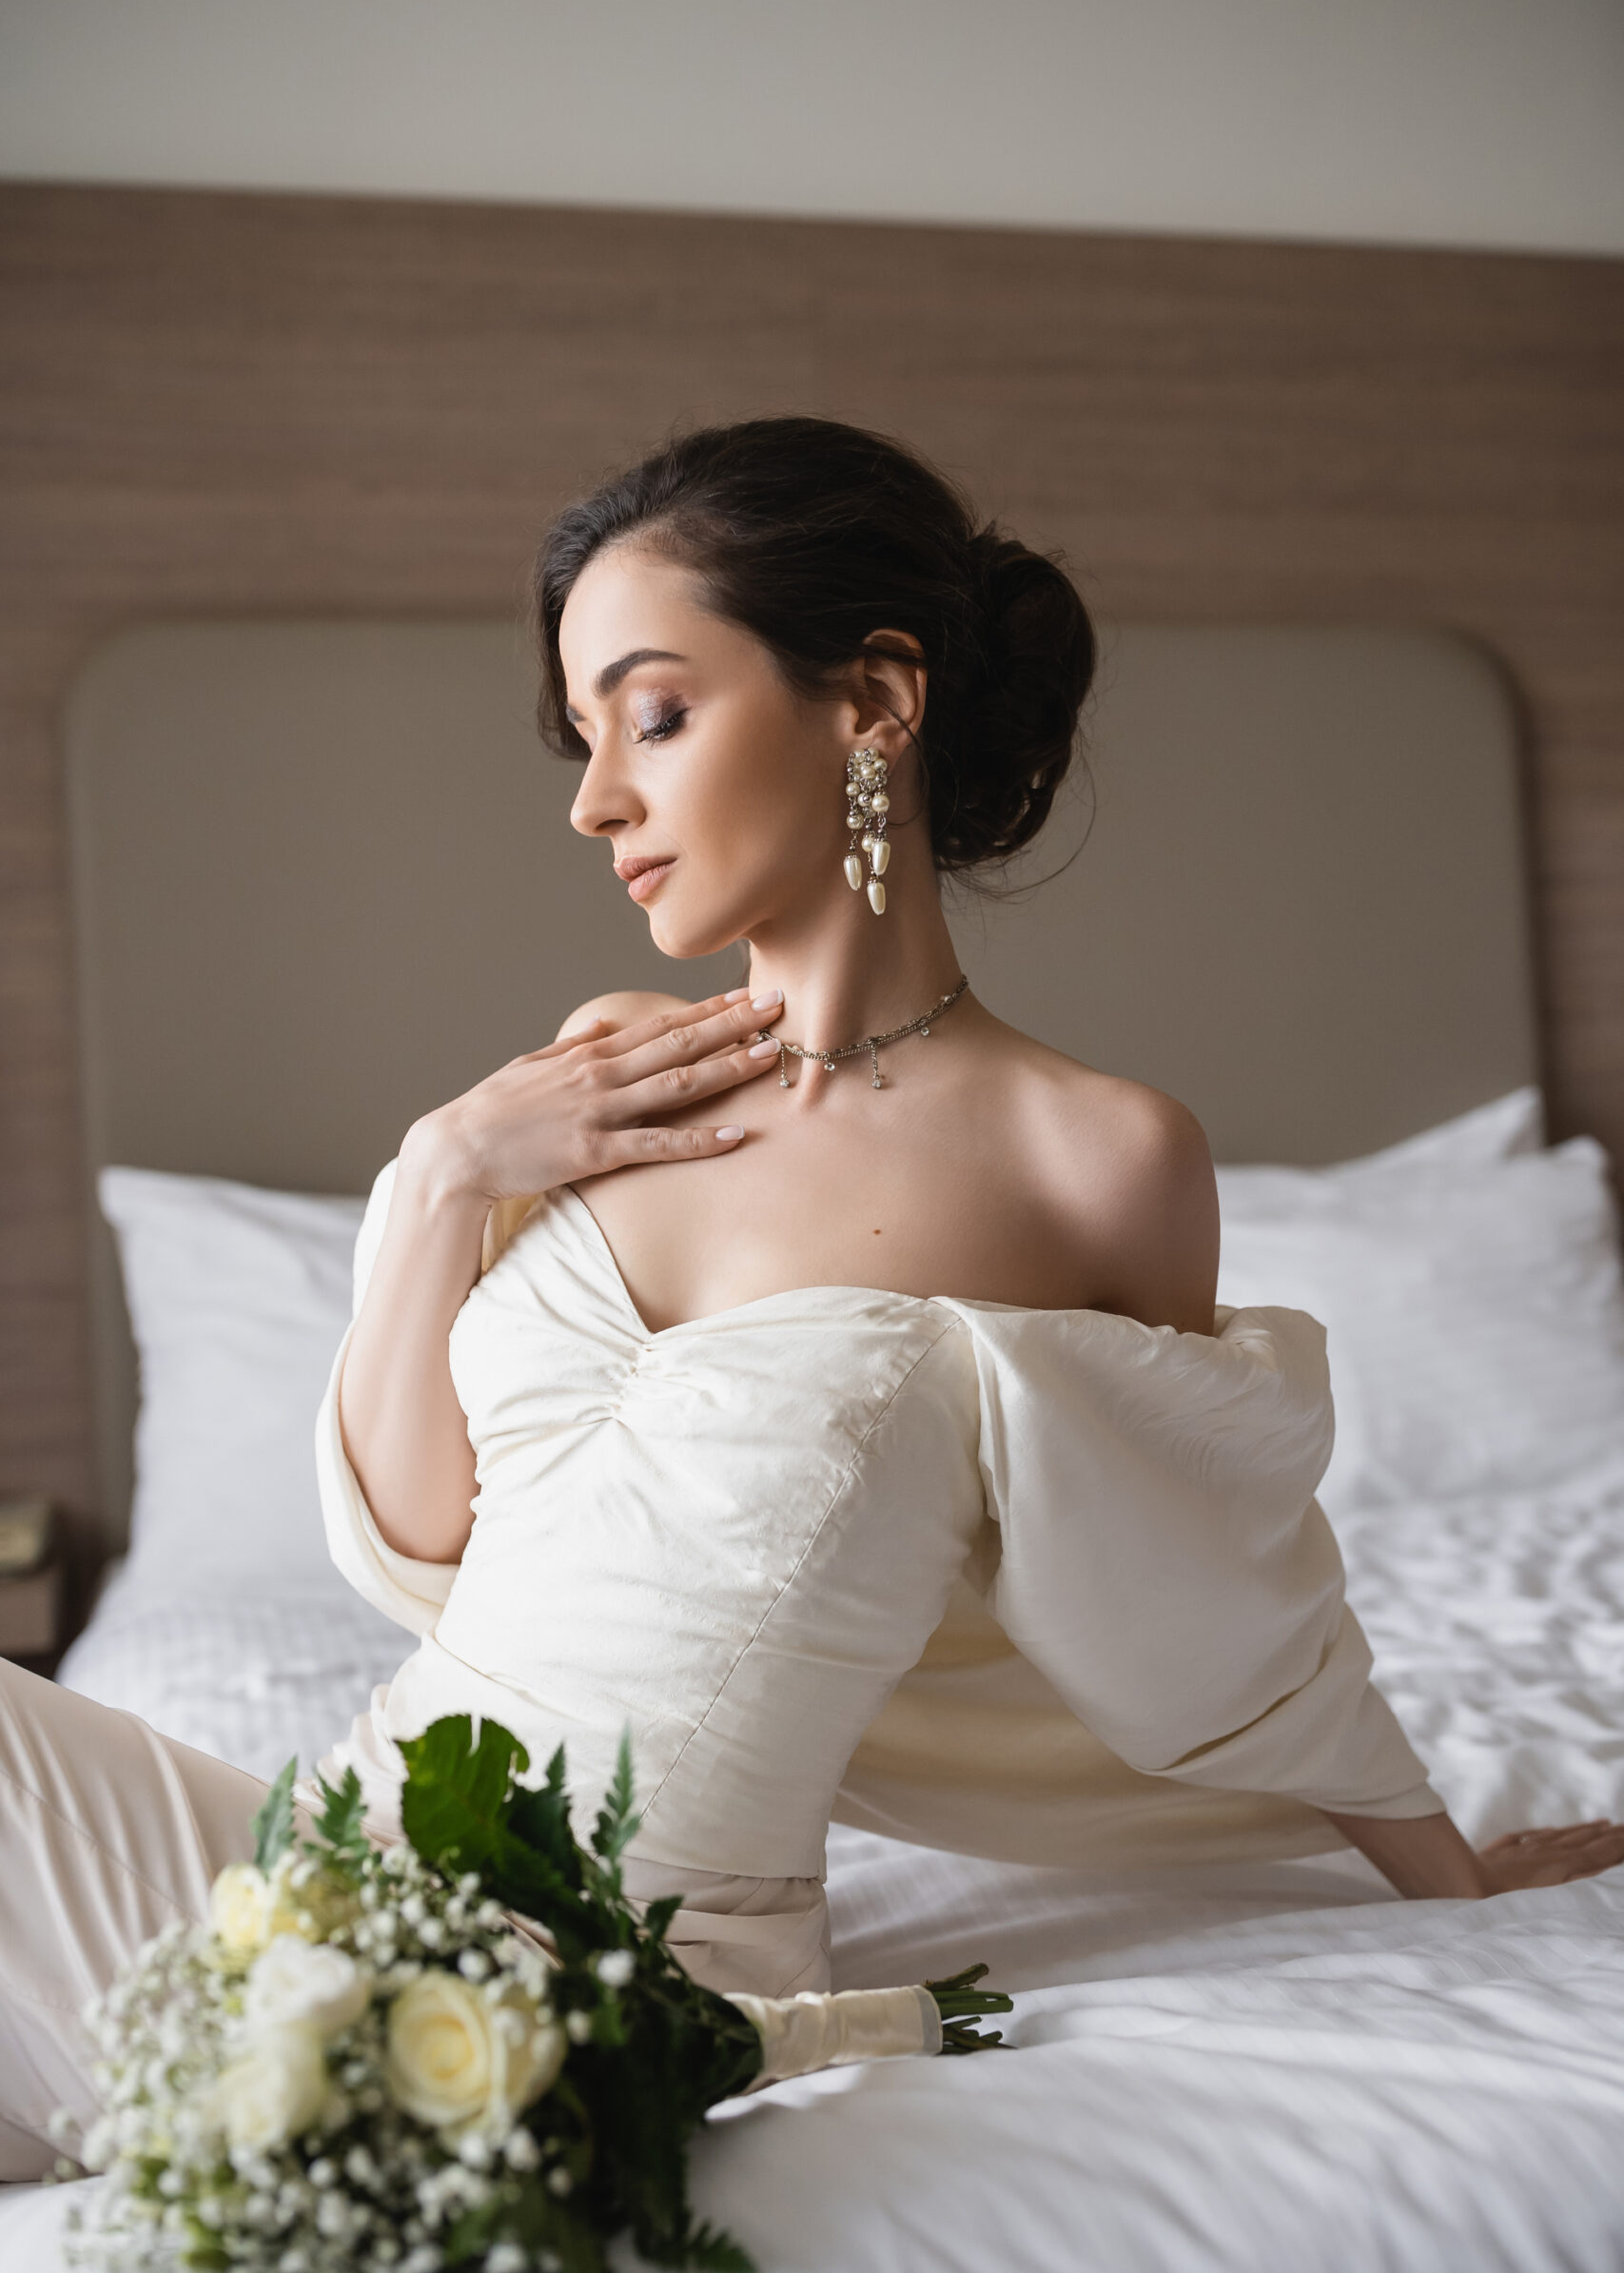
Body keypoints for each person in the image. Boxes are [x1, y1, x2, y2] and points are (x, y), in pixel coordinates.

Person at [3, 417, 1619, 2183]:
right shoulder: (603, 1066)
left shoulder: (1101, 1160)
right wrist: (452, 1166)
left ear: (875, 701)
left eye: (655, 711)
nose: (593, 795)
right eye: (584, 732)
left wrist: (1448, 1874)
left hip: (614, 1975)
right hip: (338, 1856)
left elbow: (1212, 1585)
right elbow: (422, 1531)